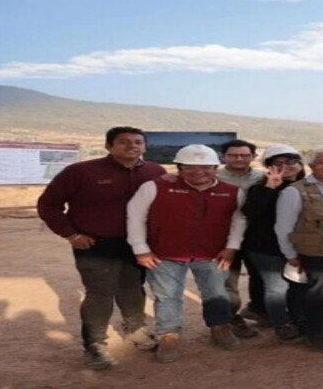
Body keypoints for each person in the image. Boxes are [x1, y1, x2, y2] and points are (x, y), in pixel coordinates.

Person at [37, 126, 166, 370]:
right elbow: (48, 205)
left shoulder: (154, 172)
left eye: (138, 142)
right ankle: (94, 345)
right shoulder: (81, 172)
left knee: (132, 287)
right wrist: (71, 234)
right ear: (108, 146)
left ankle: (135, 330)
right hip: (95, 244)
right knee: (100, 293)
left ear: (145, 146)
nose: (132, 146)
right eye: (124, 142)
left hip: (137, 244)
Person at [126, 144, 247, 363]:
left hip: (212, 253)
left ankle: (220, 327)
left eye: (205, 167)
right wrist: (140, 249)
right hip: (165, 253)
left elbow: (239, 220)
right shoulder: (154, 187)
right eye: (190, 167)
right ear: (179, 168)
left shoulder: (232, 192)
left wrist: (231, 247)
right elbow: (135, 217)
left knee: (216, 292)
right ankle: (168, 335)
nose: (198, 171)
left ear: (216, 167)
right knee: (167, 296)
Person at [276, 149, 323, 353]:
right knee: (320, 295)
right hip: (317, 251)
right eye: (322, 162)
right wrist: (290, 255)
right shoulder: (295, 191)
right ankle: (316, 334)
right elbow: (284, 227)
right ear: (311, 166)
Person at [240, 144, 306, 343]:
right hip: (265, 246)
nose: (286, 166)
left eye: (291, 161)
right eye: (278, 163)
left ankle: (290, 318)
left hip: (297, 245)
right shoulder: (260, 188)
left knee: (295, 285)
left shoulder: (308, 186)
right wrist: (270, 187)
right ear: (269, 167)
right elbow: (250, 212)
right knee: (276, 287)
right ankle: (281, 325)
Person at [217, 139, 266, 338]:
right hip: (224, 236)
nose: (239, 159)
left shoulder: (262, 177)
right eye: (233, 155)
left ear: (253, 157)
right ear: (223, 157)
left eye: (244, 155)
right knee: (228, 279)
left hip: (256, 235)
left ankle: (258, 309)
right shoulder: (213, 176)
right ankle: (230, 319)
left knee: (260, 276)